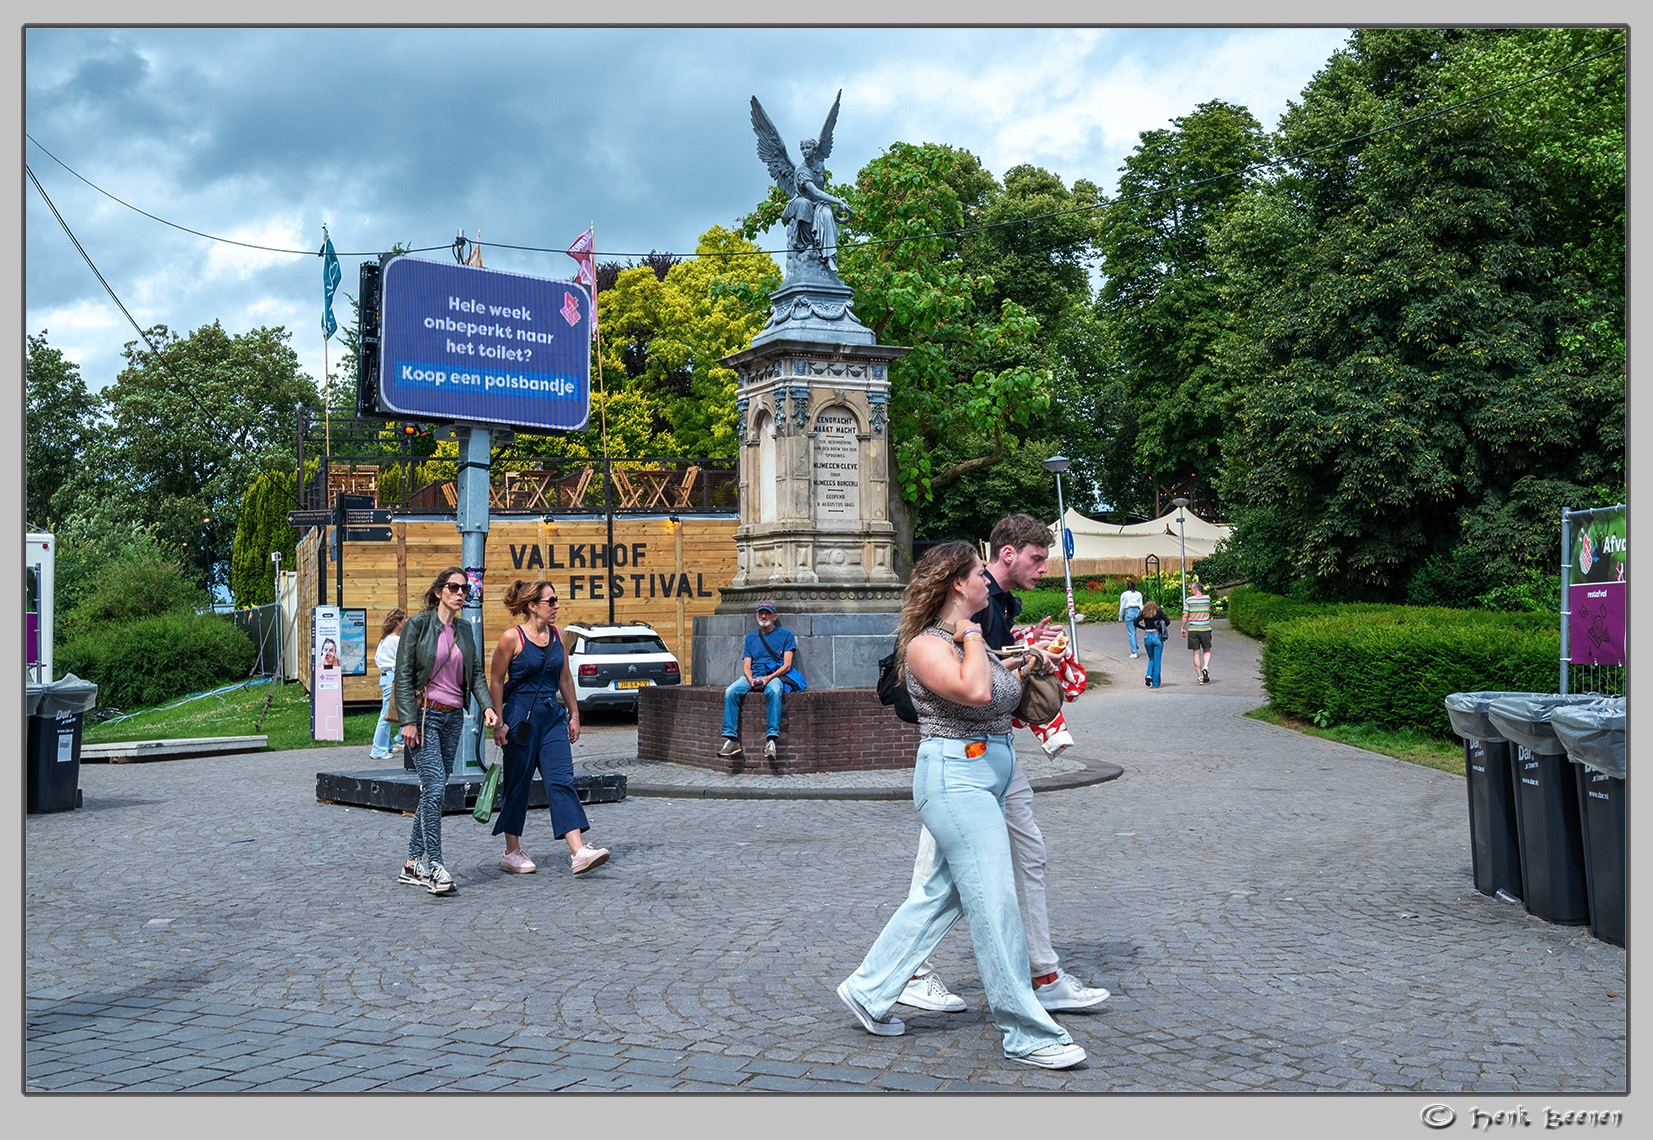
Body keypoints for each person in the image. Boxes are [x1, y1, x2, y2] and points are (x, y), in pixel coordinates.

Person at [836, 541, 1086, 1070]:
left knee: (940, 897)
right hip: (956, 778)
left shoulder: (975, 643)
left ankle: (870, 987)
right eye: (979, 573)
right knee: (995, 901)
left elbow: (997, 694)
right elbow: (973, 692)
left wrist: (1029, 663)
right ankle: (1026, 1031)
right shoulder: (927, 645)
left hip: (985, 776)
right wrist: (973, 636)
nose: (986, 583)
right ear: (958, 584)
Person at [900, 514, 1110, 1017]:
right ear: (1007, 554)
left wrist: (1024, 651)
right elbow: (971, 678)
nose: (1044, 568)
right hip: (958, 754)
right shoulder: (974, 602)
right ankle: (913, 972)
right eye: (1037, 558)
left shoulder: (995, 602)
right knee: (937, 869)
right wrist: (1020, 656)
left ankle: (1043, 971)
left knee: (1023, 854)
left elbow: (989, 663)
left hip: (991, 752)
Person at [487, 579, 610, 877]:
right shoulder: (511, 639)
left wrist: (574, 715)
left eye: (556, 600)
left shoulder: (559, 635)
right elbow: (495, 680)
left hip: (552, 716)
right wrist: (499, 721)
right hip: (520, 717)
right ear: (532, 606)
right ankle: (511, 851)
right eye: (550, 601)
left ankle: (578, 851)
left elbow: (565, 678)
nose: (556, 606)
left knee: (561, 779)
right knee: (518, 783)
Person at [393, 567, 500, 896]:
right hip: (424, 717)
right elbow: (403, 674)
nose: (460, 593)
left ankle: (412, 863)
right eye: (453, 587)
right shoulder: (418, 625)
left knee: (432, 789)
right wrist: (408, 721)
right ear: (439, 591)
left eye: (465, 589)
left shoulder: (465, 630)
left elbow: (477, 673)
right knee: (436, 785)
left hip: (454, 717)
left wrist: (488, 707)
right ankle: (435, 865)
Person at [717, 601, 798, 762]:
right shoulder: (751, 638)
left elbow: (787, 665)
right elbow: (746, 665)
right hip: (754, 676)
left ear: (775, 616)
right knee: (731, 691)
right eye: (761, 613)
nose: (763, 616)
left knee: (774, 691)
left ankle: (771, 739)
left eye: (767, 613)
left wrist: (768, 678)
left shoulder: (786, 635)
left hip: (774, 676)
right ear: (756, 615)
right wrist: (751, 679)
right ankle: (732, 740)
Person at [368, 608, 408, 760]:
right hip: (392, 676)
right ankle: (378, 749)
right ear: (398, 622)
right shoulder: (395, 641)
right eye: (404, 620)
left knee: (392, 710)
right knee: (387, 714)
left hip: (386, 676)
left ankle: (389, 743)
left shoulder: (386, 638)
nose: (405, 623)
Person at [1182, 577, 1213, 684]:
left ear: (1195, 589)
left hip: (1193, 629)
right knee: (1207, 650)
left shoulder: (1189, 600)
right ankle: (1205, 667)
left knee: (1196, 653)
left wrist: (1182, 627)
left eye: (1191, 589)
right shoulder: (1207, 599)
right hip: (1205, 628)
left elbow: (1185, 615)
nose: (1191, 591)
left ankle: (1200, 677)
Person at [1135, 599, 1170, 688]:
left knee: (1151, 658)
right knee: (1157, 660)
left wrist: (1144, 628)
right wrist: (1161, 626)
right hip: (1156, 635)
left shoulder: (1144, 613)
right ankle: (1155, 683)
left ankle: (1148, 675)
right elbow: (1167, 621)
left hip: (1147, 636)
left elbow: (1135, 622)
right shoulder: (1157, 611)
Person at [1118, 578, 1144, 660]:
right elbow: (1141, 605)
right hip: (1137, 612)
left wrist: (1120, 616)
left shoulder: (1124, 594)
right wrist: (1143, 616)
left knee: (1131, 633)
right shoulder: (1138, 594)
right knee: (1134, 631)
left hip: (1129, 612)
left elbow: (1122, 606)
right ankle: (1135, 646)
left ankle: (1134, 652)